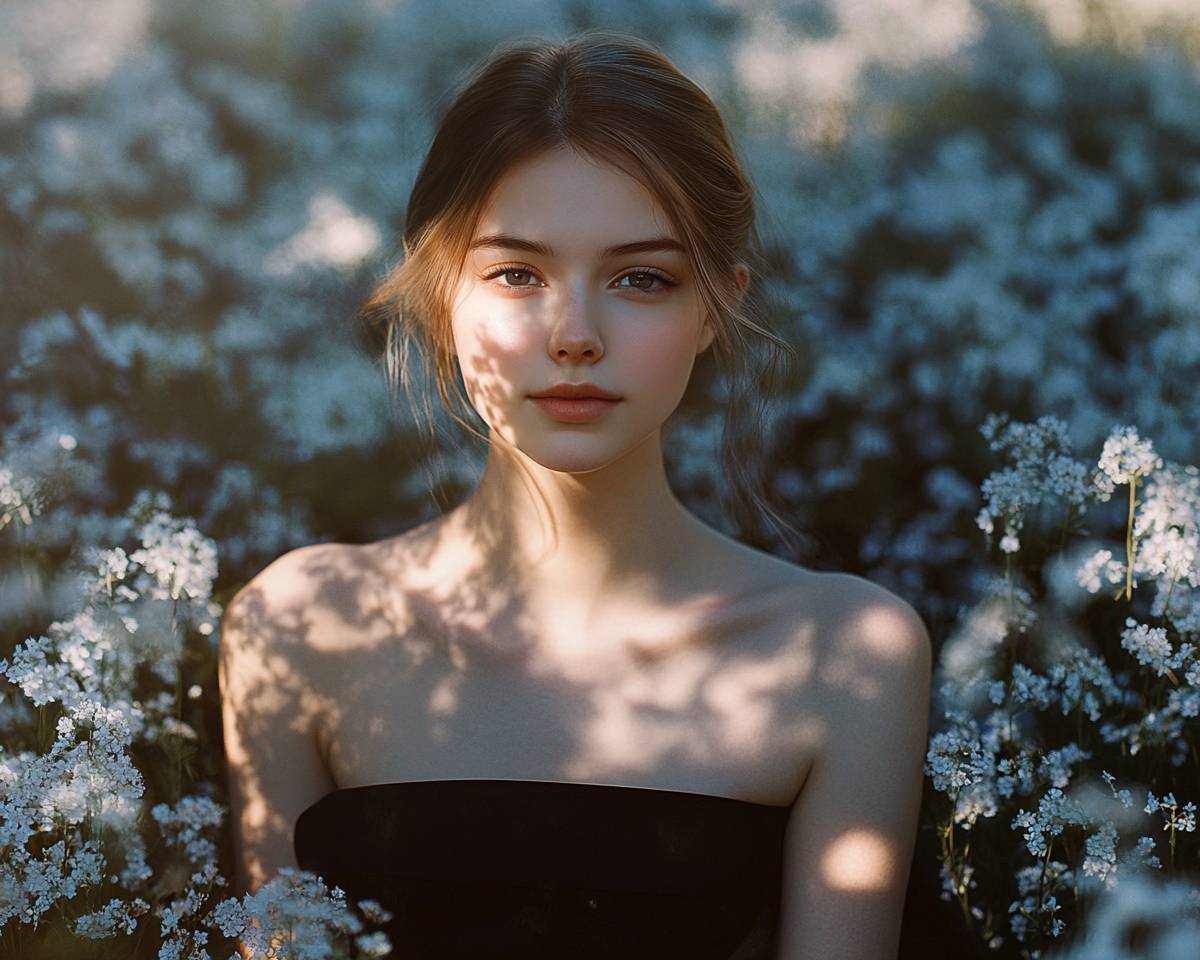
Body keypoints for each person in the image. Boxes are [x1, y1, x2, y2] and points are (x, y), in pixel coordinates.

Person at [218, 28, 932, 960]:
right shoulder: (301, 626)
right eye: (518, 273)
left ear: (715, 304)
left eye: (642, 278)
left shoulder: (846, 655)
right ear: (443, 298)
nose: (576, 335)